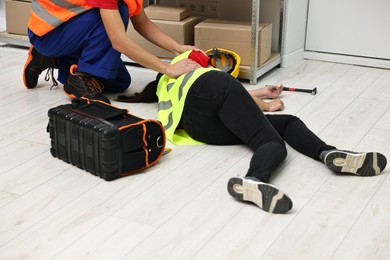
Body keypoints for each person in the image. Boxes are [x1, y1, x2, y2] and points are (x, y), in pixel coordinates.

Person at [116, 49, 387, 214]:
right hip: (215, 93)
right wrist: (265, 106)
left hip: (199, 127)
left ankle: (328, 154)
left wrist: (260, 95)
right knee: (270, 141)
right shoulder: (190, 60)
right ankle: (255, 179)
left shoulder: (167, 86)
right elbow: (222, 89)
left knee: (287, 122)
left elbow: (226, 101)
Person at [22, 0, 201, 103]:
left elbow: (142, 23)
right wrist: (168, 68)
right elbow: (118, 41)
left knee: (119, 82)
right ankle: (79, 78)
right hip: (48, 33)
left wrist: (177, 48)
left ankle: (55, 58)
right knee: (117, 11)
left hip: (69, 29)